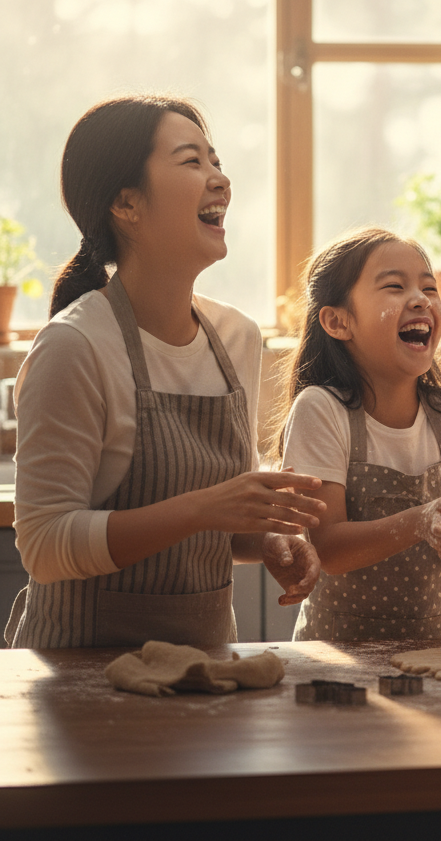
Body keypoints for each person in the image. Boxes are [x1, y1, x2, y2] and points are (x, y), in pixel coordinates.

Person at [6, 95, 326, 649]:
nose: (220, 179)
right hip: (83, 689)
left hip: (203, 677)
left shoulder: (237, 339)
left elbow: (219, 527)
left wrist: (265, 538)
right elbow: (46, 544)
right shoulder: (75, 346)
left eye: (216, 160)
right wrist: (206, 506)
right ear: (126, 203)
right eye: (192, 161)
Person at [276, 227, 441, 641]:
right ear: (337, 321)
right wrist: (420, 521)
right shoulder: (321, 410)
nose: (420, 299)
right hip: (341, 654)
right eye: (394, 287)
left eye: (429, 288)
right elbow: (329, 548)